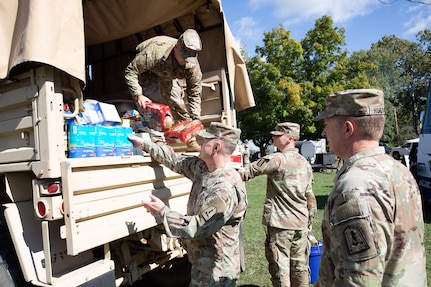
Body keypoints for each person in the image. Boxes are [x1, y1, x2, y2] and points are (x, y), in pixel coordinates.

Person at [313, 89, 427, 286]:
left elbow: (360, 280)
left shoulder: (356, 186)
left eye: (327, 125)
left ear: (348, 129)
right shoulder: (398, 170)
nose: (324, 133)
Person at [128, 122, 247, 286]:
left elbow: (197, 227)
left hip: (215, 273)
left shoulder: (224, 189)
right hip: (202, 265)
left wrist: (163, 212)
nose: (200, 142)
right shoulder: (204, 169)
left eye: (205, 140)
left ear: (216, 147)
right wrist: (145, 144)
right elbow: (175, 160)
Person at [237, 122, 317, 287]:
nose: (273, 137)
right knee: (300, 267)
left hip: (281, 225)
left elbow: (245, 173)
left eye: (278, 135)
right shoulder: (305, 163)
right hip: (301, 224)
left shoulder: (277, 159)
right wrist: (309, 221)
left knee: (280, 268)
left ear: (289, 138)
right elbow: (310, 196)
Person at [125, 29, 203, 152]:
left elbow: (194, 92)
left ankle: (190, 140)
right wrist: (138, 95)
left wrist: (196, 117)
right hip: (147, 70)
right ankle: (157, 141)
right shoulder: (155, 52)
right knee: (153, 106)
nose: (185, 61)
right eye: (183, 56)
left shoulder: (192, 65)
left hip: (167, 74)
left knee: (178, 103)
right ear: (176, 47)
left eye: (189, 58)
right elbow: (131, 71)